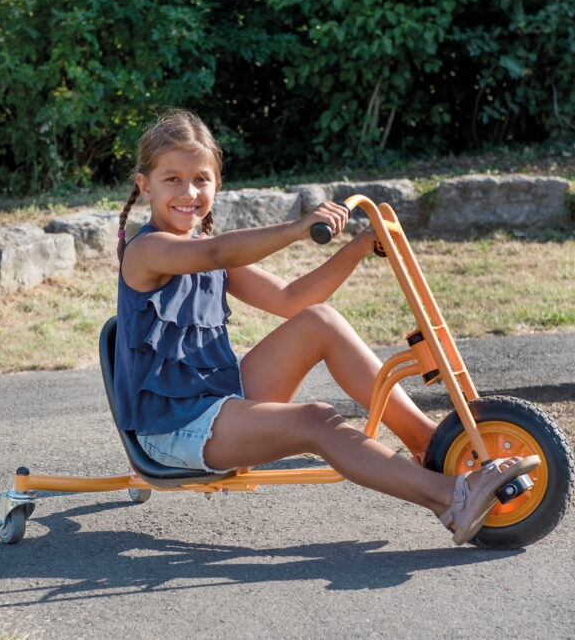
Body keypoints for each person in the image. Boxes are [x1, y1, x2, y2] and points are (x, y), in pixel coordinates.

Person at [113, 109, 539, 545]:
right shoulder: (147, 251)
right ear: (144, 185)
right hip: (173, 427)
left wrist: (357, 247)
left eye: (201, 179)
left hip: (218, 399)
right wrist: (300, 228)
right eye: (172, 179)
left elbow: (292, 299)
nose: (189, 192)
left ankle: (434, 447)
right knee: (318, 420)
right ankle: (451, 497)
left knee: (319, 320)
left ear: (217, 184)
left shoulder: (203, 250)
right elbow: (218, 253)